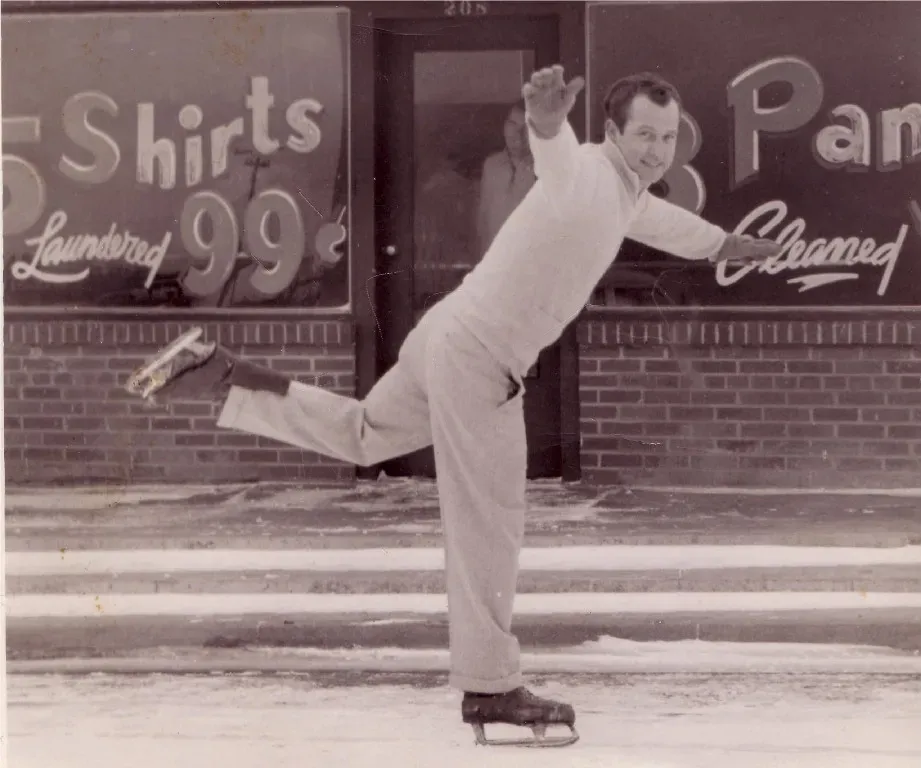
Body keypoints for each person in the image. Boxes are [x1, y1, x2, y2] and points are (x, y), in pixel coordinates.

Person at [127, 66, 781, 747]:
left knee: (364, 433)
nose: (655, 149)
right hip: (478, 358)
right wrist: (545, 120)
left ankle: (226, 376)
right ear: (610, 132)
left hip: (447, 330)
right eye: (642, 133)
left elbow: (667, 223)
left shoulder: (623, 193)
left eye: (667, 137)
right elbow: (556, 156)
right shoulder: (584, 173)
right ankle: (491, 685)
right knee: (488, 525)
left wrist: (726, 245)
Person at [476, 102, 536, 256]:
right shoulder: (491, 166)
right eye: (512, 124)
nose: (517, 133)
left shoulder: (544, 170)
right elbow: (483, 221)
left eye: (525, 128)